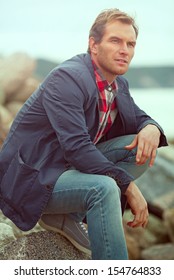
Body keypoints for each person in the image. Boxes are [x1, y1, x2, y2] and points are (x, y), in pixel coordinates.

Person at [0, 8, 168, 260]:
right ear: (94, 45)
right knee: (104, 188)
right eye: (115, 40)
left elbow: (138, 117)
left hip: (64, 169)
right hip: (33, 179)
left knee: (138, 150)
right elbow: (78, 148)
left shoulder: (117, 84)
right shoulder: (67, 79)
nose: (125, 49)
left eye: (130, 43)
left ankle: (66, 217)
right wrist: (129, 187)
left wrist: (152, 128)